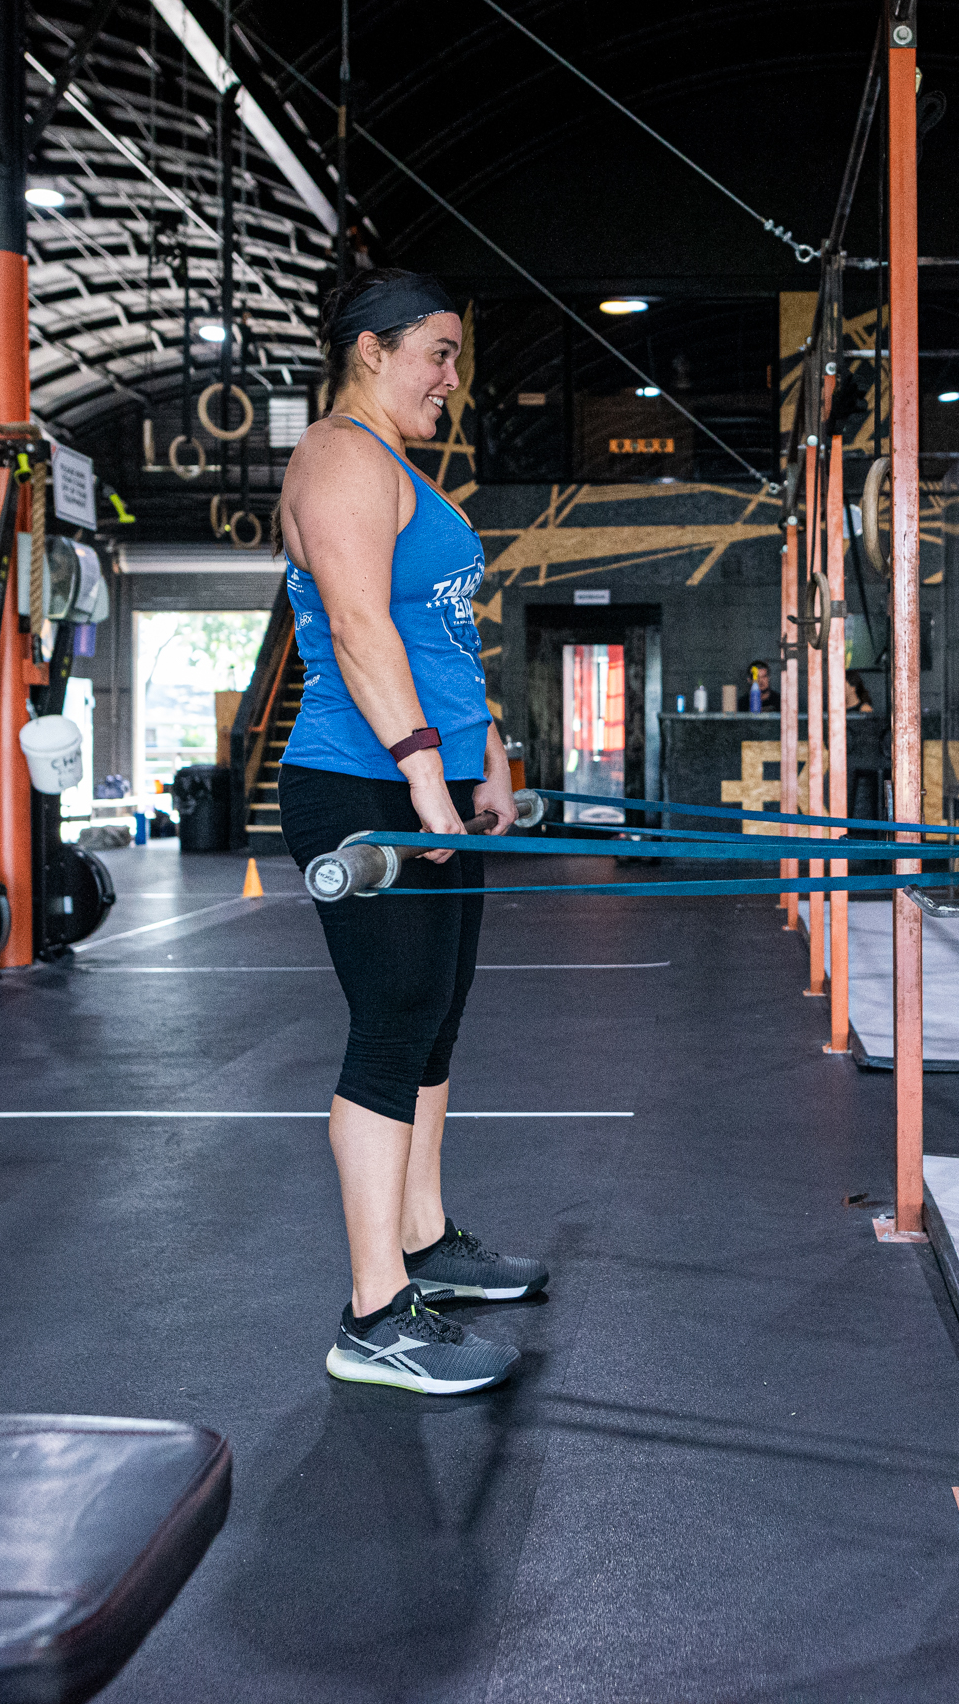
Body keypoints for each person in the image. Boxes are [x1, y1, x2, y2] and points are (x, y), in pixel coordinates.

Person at [277, 267, 547, 1396]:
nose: (452, 377)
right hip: (361, 780)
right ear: (370, 349)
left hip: (423, 775)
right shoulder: (338, 456)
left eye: (455, 357)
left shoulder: (397, 467)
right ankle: (374, 1313)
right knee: (391, 1026)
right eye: (437, 353)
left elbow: (439, 637)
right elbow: (355, 626)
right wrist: (424, 774)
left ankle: (425, 1242)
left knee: (434, 1017)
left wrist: (487, 757)